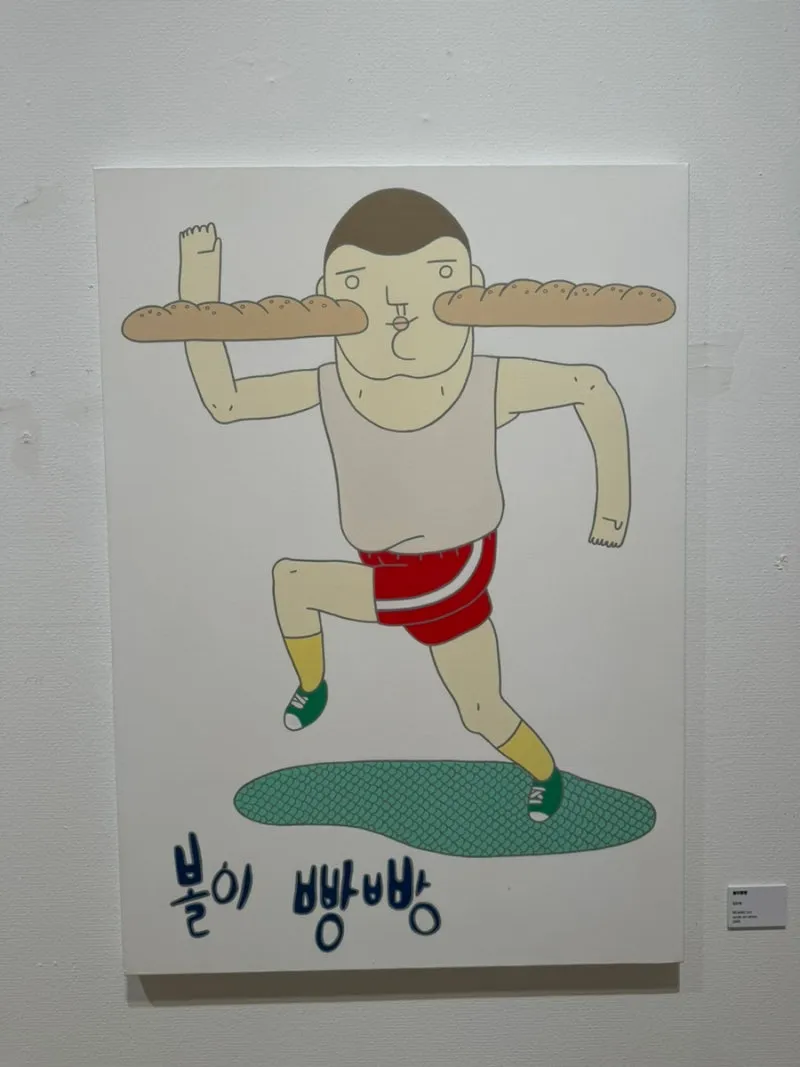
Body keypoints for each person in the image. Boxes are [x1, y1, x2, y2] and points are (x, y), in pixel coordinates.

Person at [178, 189, 631, 822]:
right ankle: (320, 689)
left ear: (470, 286)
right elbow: (226, 402)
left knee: (302, 589)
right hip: (384, 567)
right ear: (328, 297)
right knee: (479, 708)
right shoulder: (328, 385)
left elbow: (590, 384)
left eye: (435, 275)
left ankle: (540, 775)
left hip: (451, 571)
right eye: (358, 282)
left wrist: (612, 510)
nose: (397, 306)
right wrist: (198, 277)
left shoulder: (487, 380)